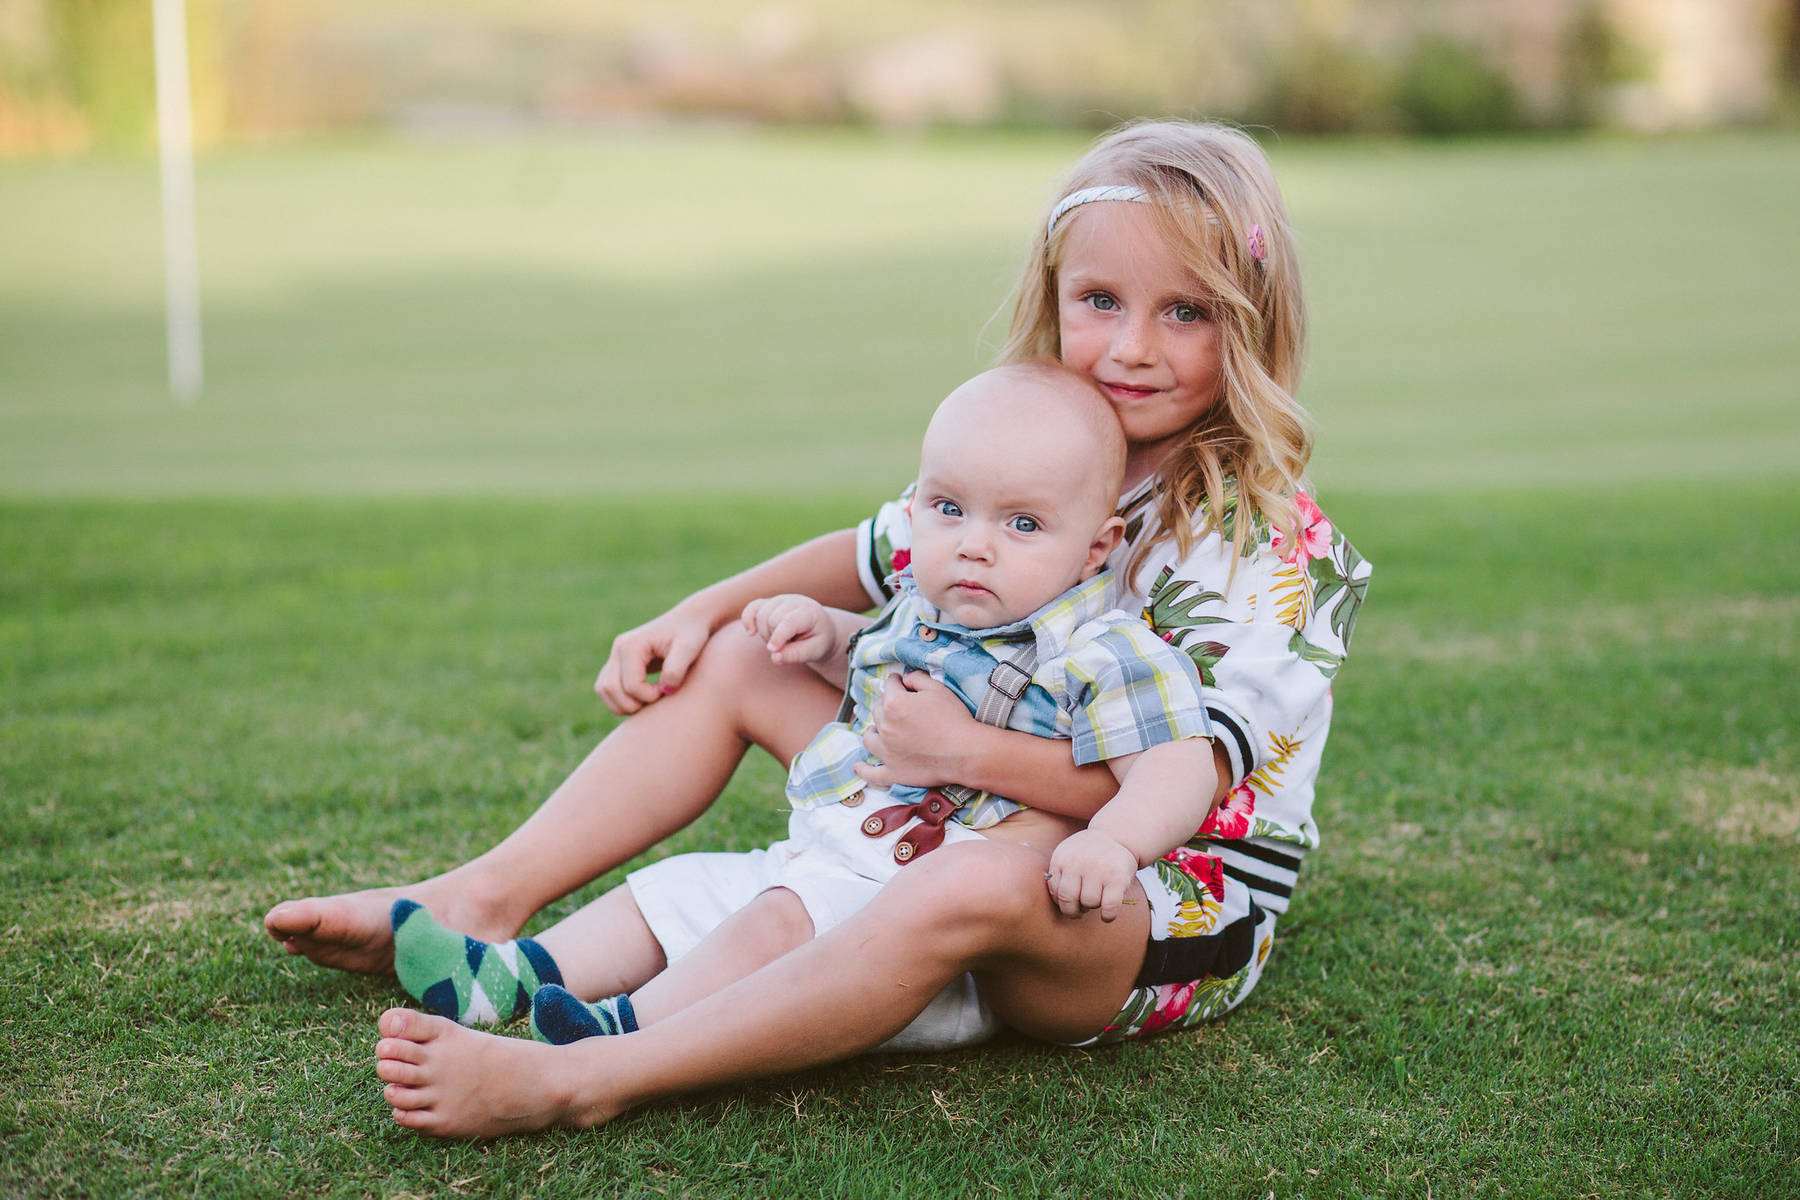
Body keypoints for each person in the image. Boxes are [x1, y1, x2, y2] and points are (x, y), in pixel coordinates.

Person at [265, 117, 1367, 1136]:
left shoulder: (1270, 548)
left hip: (1142, 892)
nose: (1132, 346)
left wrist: (963, 753)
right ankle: (482, 902)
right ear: (1055, 295)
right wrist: (694, 615)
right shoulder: (1037, 446)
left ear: (1254, 321)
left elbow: (1181, 794)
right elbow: (864, 556)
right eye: (1101, 302)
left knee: (971, 878)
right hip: (957, 790)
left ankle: (591, 1075)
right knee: (752, 649)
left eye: (1187, 313)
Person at [381, 361, 1219, 1050]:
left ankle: (621, 1034)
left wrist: (1114, 841)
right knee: (678, 890)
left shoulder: (1109, 652)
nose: (974, 542)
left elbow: (1177, 769)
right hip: (834, 855)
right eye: (948, 509)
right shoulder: (935, 609)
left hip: (920, 926)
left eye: (1023, 524)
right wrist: (826, 636)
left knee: (769, 927)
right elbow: (879, 668)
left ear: (1096, 548)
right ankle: (510, 974)